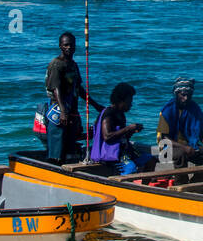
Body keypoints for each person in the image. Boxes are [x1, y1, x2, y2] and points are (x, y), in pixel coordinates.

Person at [44, 32, 102, 163]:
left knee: (71, 147)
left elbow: (78, 88)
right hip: (59, 110)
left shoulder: (73, 65)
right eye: (66, 45)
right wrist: (63, 111)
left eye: (71, 45)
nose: (69, 48)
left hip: (72, 111)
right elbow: (56, 88)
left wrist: (94, 104)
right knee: (57, 150)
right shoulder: (56, 64)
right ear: (60, 46)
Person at [90, 83, 154, 172]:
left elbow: (122, 137)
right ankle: (124, 182)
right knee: (131, 168)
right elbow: (107, 137)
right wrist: (128, 128)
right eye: (129, 101)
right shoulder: (109, 113)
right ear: (121, 101)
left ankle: (142, 184)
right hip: (111, 155)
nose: (131, 104)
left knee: (150, 160)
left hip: (124, 152)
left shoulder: (121, 114)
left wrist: (131, 131)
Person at [156, 76, 203, 165]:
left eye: (189, 95)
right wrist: (184, 147)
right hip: (167, 148)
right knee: (181, 153)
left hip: (190, 146)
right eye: (183, 95)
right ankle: (180, 178)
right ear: (176, 94)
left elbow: (199, 132)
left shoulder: (194, 109)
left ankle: (198, 177)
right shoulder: (167, 112)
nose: (186, 98)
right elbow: (164, 138)